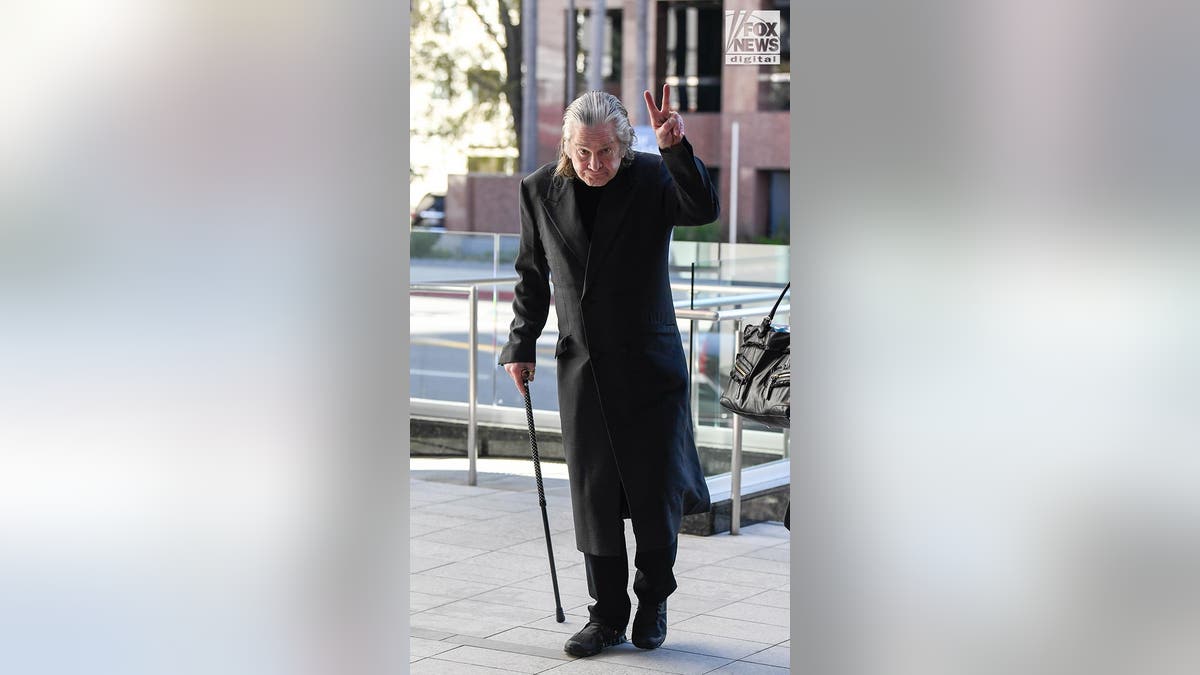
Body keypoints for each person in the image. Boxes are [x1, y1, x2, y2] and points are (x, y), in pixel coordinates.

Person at [498, 86, 718, 657]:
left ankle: (653, 600)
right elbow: (531, 275)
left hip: (649, 365)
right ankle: (606, 615)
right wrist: (520, 343)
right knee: (595, 498)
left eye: (606, 152)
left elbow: (702, 209)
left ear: (626, 145)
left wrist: (677, 150)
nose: (594, 165)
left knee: (653, 493)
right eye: (582, 152)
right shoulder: (539, 188)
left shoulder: (652, 177)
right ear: (566, 145)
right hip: (584, 367)